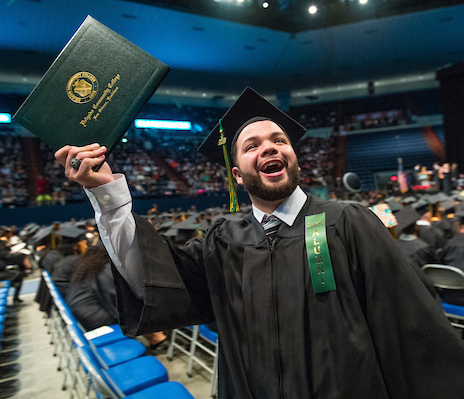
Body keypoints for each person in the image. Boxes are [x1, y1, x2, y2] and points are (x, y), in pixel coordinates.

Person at [55, 87, 464, 398]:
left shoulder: (348, 223)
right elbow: (154, 276)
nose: (269, 146)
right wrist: (107, 192)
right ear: (236, 174)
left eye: (279, 140)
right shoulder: (223, 242)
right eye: (252, 145)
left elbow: (413, 329)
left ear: (295, 158)